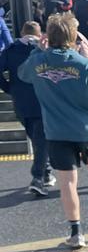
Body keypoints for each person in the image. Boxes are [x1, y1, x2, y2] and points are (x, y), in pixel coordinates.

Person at [18, 13, 88, 247]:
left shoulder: (37, 62)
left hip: (56, 131)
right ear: (73, 36)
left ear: (48, 36)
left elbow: (23, 75)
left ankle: (76, 233)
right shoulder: (85, 64)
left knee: (68, 182)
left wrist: (37, 51)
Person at [0, 21, 54, 196]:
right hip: (42, 99)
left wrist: (8, 87)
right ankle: (38, 177)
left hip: (20, 101)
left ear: (22, 32)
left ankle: (44, 173)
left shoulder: (10, 50)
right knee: (41, 139)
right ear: (39, 33)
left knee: (36, 137)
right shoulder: (44, 50)